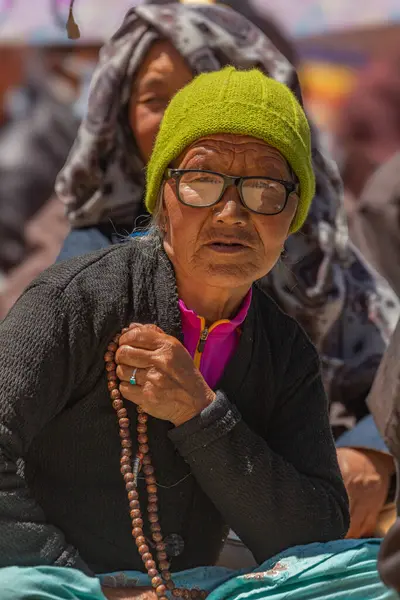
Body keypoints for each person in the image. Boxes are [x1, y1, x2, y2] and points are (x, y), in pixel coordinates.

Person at [0, 66, 349, 599]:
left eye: (264, 187)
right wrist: (86, 582)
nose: (232, 212)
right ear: (163, 197)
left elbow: (317, 530)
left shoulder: (285, 352)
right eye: (202, 181)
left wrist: (201, 414)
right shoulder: (77, 299)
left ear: (294, 213)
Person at [54, 1, 399, 541]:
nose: (187, 115)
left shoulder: (318, 245)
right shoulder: (86, 270)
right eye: (155, 98)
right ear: (119, 113)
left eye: (210, 84)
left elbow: (386, 375)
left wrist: (374, 456)